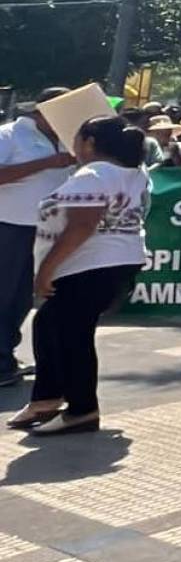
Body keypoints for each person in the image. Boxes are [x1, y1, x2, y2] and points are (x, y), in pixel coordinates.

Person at [9, 117, 150, 434]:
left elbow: (83, 225)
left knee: (72, 335)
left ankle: (82, 409)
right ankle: (46, 399)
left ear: (88, 142)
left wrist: (44, 271)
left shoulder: (95, 173)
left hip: (92, 265)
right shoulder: (133, 173)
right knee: (49, 324)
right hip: (115, 261)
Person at [0, 88, 77, 386]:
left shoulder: (64, 138)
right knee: (4, 295)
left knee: (22, 298)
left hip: (45, 231)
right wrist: (47, 163)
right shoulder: (10, 135)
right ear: (42, 110)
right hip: (10, 226)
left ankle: (6, 353)